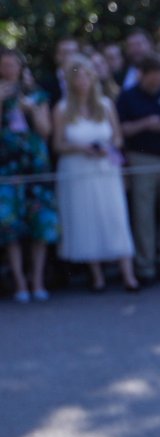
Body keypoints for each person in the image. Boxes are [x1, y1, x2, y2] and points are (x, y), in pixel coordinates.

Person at [53, 55, 139, 293]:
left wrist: (107, 147)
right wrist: (81, 148)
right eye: (77, 77)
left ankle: (128, 275)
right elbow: (58, 144)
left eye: (85, 76)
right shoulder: (62, 109)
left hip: (105, 169)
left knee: (114, 217)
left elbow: (119, 137)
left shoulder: (105, 105)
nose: (82, 82)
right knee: (86, 218)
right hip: (78, 169)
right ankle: (97, 276)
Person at [117, 55, 160, 284]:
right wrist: (145, 124)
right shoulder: (128, 97)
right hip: (142, 160)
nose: (157, 79)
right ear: (142, 74)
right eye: (153, 74)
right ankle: (145, 267)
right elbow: (122, 130)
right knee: (143, 216)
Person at [0, 47, 58, 303]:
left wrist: (32, 110)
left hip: (36, 167)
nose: (10, 70)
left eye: (14, 65)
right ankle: (20, 282)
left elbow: (46, 131)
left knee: (41, 223)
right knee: (10, 226)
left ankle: (37, 280)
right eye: (5, 66)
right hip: (7, 169)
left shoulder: (36, 94)